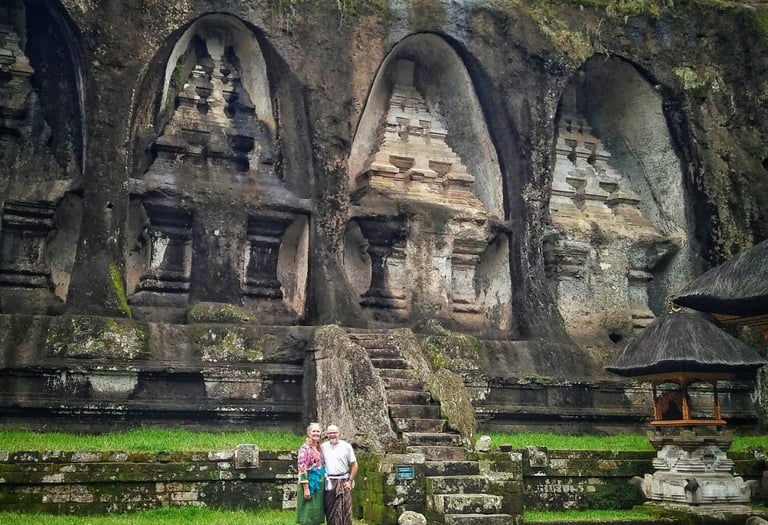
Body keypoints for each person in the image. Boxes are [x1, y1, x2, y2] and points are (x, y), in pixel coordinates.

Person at [321, 424, 358, 525]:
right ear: (326, 434)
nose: (332, 435)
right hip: (329, 482)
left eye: (334, 433)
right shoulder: (323, 447)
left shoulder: (346, 446)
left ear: (339, 433)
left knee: (346, 509)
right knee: (330, 510)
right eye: (330, 433)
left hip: (344, 481)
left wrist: (350, 481)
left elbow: (354, 465)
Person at [296, 422, 325, 525]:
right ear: (309, 433)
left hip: (319, 482)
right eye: (314, 431)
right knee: (308, 512)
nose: (316, 433)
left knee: (316, 511)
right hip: (309, 482)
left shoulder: (319, 448)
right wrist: (306, 488)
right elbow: (302, 469)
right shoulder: (305, 449)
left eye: (318, 431)